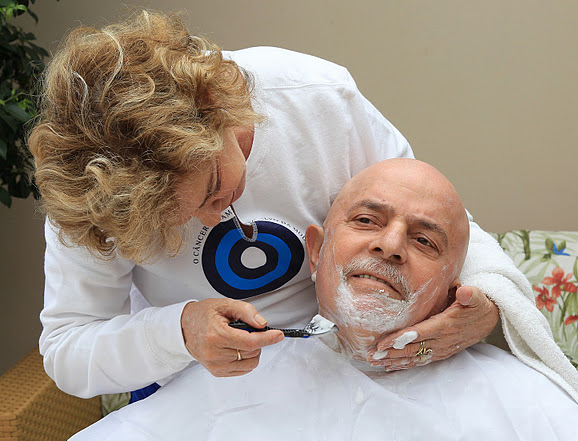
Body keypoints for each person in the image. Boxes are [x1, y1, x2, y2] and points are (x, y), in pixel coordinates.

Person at [31, 10, 513, 399]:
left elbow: (436, 218)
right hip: (201, 390)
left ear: (213, 102)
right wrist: (178, 331)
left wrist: (490, 303)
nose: (213, 217)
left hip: (354, 365)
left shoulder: (316, 99)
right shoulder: (89, 193)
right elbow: (68, 349)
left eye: (215, 184)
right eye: (176, 221)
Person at [68, 159, 578, 440]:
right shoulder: (232, 379)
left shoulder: (521, 401)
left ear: (456, 284)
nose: (391, 244)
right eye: (366, 220)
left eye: (425, 240)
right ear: (315, 250)